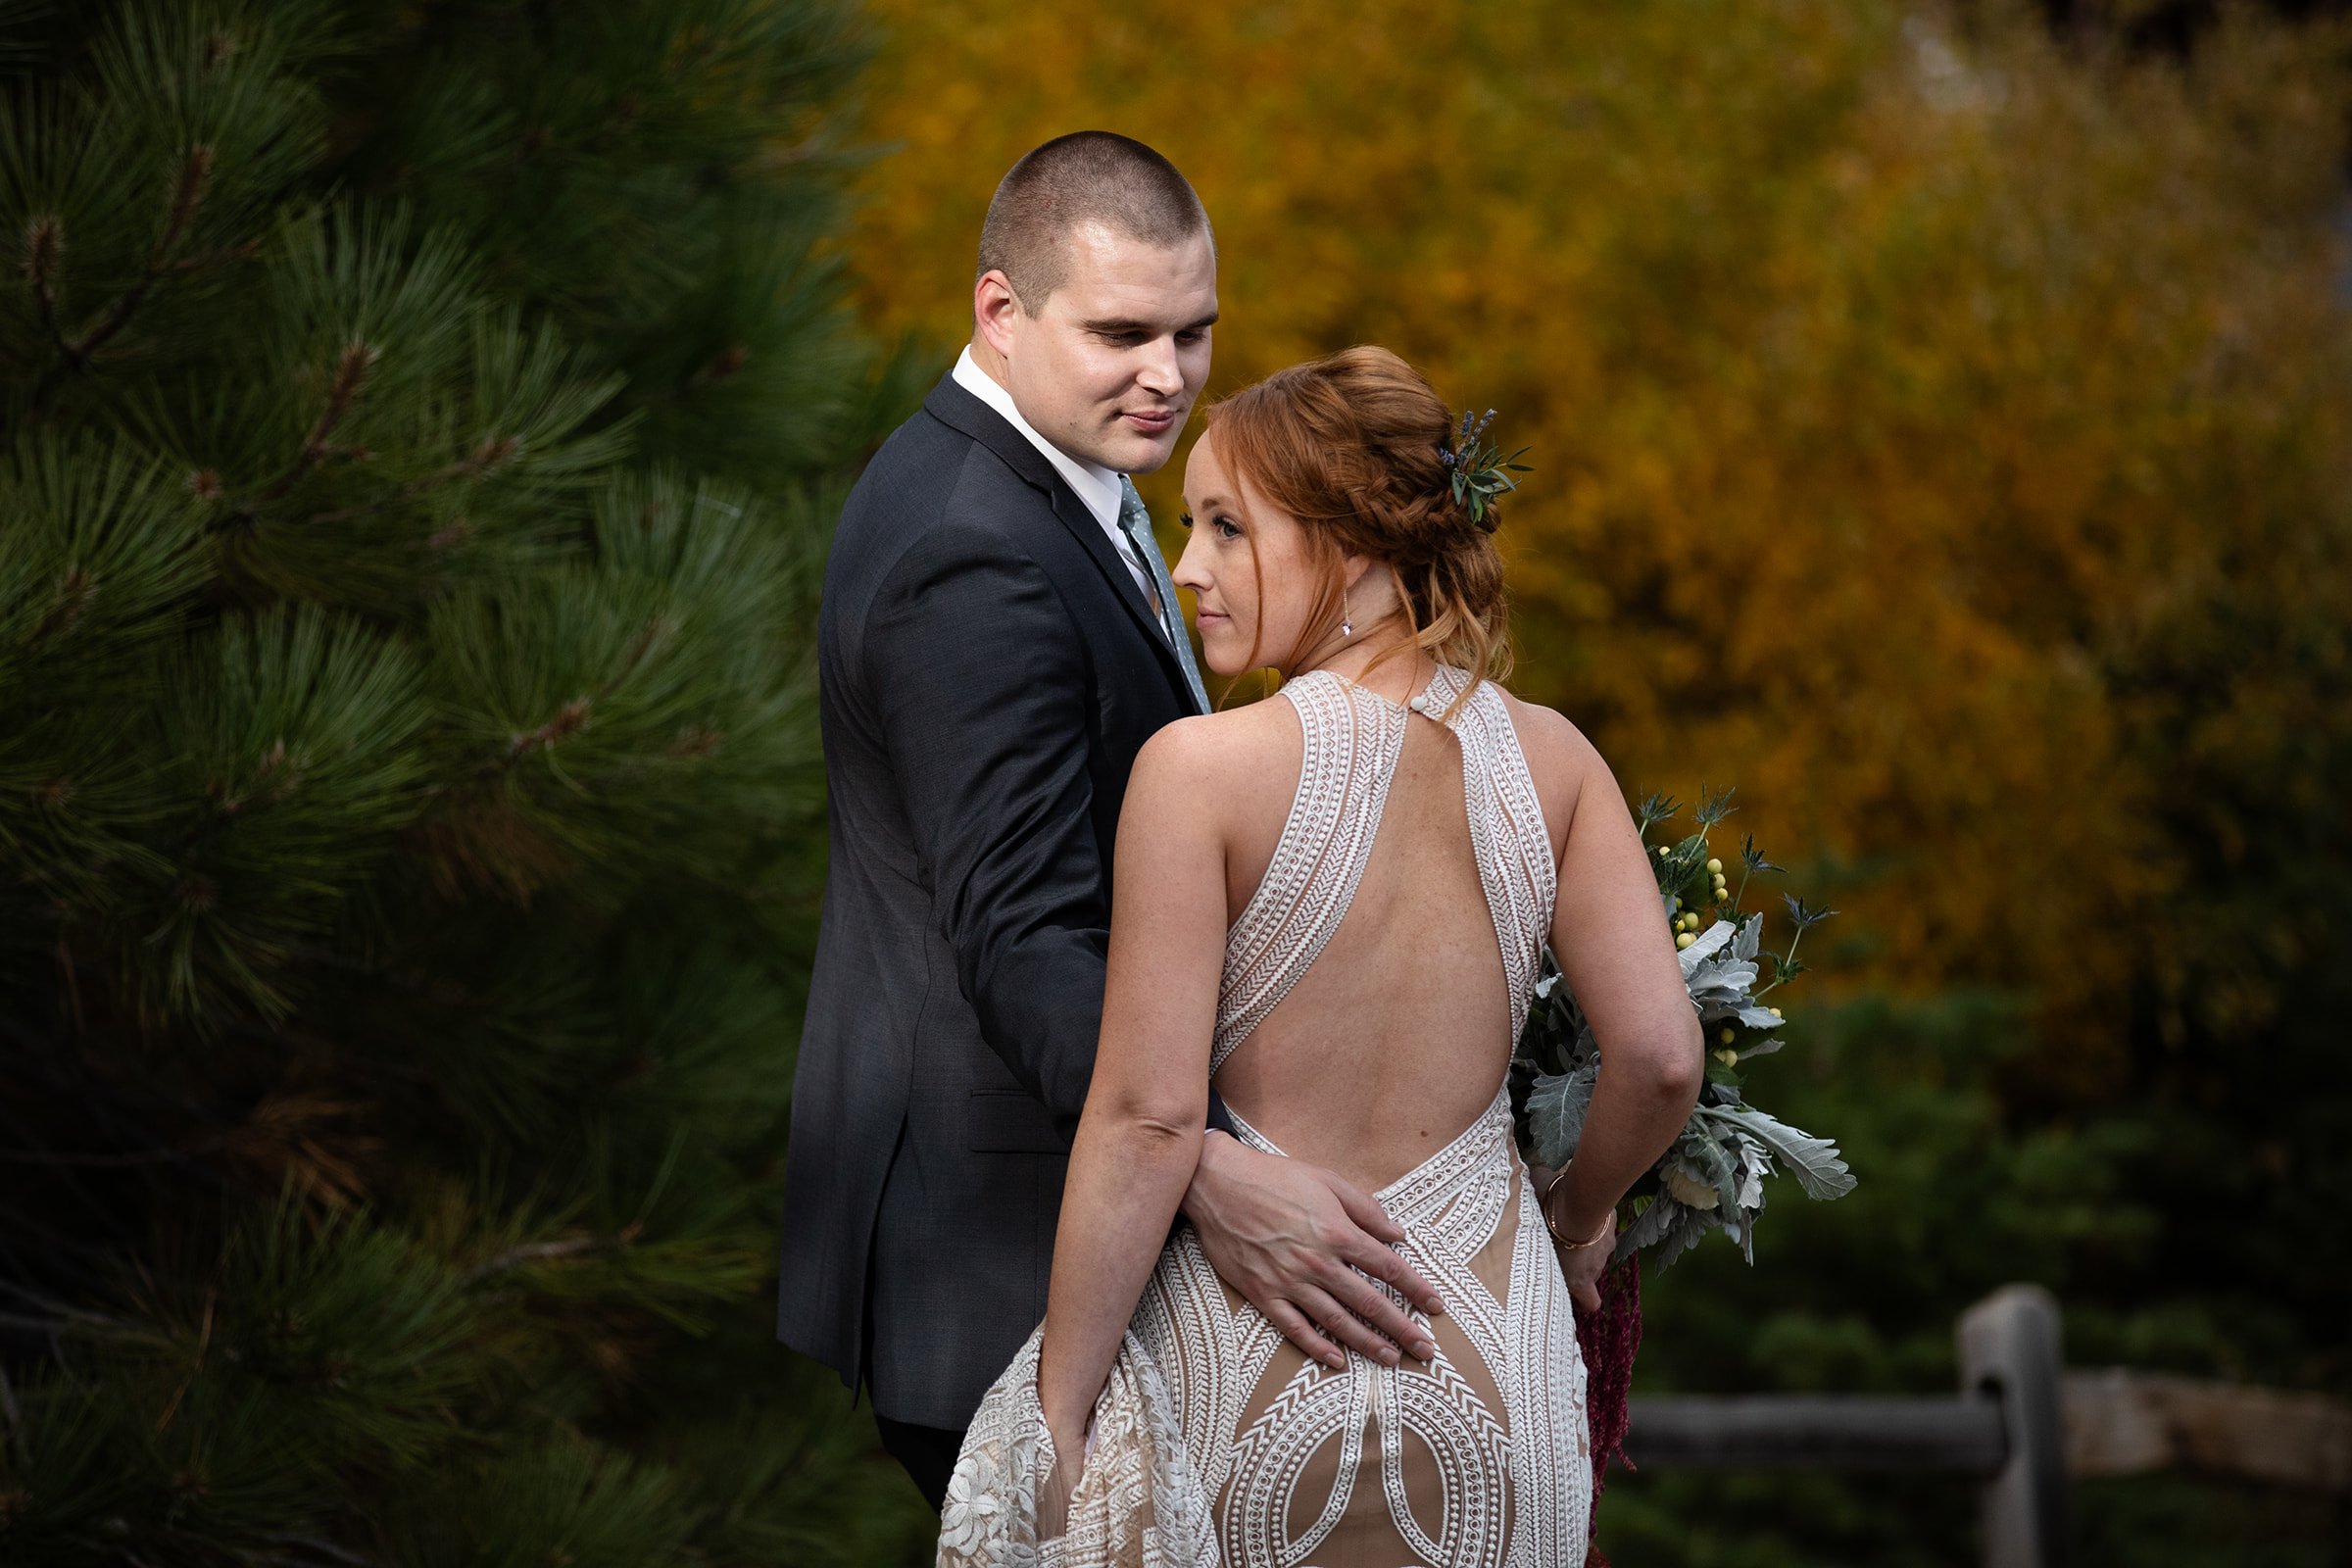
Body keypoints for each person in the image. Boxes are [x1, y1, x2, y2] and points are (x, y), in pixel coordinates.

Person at [941, 347, 1705, 1566]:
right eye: (1188, 525)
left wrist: (1061, 1409)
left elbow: (1144, 1115)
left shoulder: (1201, 772)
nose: (1187, 567)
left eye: (1230, 528)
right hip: (1492, 1371)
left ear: (1350, 543)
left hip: (1247, 1369)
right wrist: (1571, 1223)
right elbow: (1664, 1059)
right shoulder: (1558, 759)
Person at [774, 134, 1449, 1511]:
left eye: (1195, 331)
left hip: (1060, 1211)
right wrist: (1208, 1166)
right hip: (1004, 1248)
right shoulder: (971, 549)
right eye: (1124, 333)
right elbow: (1025, 939)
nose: (1170, 374)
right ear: (1001, 313)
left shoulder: (1061, 481)